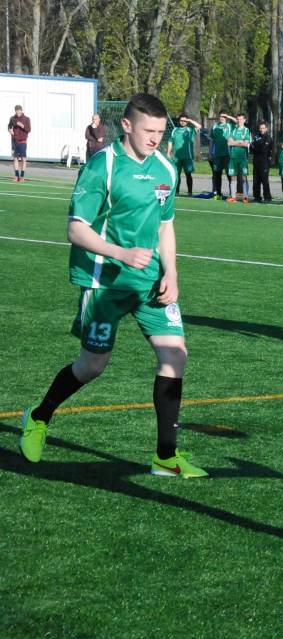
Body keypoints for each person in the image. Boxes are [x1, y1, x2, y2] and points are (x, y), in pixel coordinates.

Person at [18, 93, 205, 478]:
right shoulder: (102, 166)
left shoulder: (166, 169)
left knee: (176, 356)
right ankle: (38, 417)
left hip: (150, 282)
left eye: (160, 131)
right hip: (103, 282)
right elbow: (75, 229)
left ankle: (166, 457)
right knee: (92, 365)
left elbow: (166, 225)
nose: (155, 138)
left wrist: (171, 271)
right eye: (148, 131)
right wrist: (120, 253)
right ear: (126, 125)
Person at [167, 113, 201, 196]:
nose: (183, 122)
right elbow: (170, 141)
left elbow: (199, 126)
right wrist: (168, 153)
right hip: (176, 157)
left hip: (188, 157)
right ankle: (176, 192)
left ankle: (190, 192)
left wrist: (189, 120)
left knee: (188, 174)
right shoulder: (175, 130)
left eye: (184, 120)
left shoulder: (190, 130)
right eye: (181, 120)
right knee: (176, 175)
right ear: (179, 121)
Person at [209, 112, 236, 199]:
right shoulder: (214, 127)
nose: (222, 118)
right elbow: (212, 141)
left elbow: (238, 122)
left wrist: (228, 116)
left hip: (228, 155)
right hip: (217, 155)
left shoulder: (230, 126)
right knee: (217, 174)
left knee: (229, 174)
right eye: (220, 116)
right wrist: (210, 153)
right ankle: (218, 194)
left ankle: (232, 194)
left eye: (224, 117)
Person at [251, 120, 274, 203]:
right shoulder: (256, 137)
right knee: (256, 180)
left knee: (264, 180)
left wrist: (256, 146)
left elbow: (263, 149)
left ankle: (267, 197)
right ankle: (257, 197)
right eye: (260, 128)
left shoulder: (268, 138)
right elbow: (251, 147)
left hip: (264, 162)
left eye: (263, 128)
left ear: (266, 129)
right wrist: (255, 146)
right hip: (256, 161)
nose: (261, 129)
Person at [8, 105, 31, 182]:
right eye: (16, 111)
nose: (18, 112)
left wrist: (23, 126)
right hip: (14, 141)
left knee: (23, 159)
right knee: (15, 158)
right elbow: (9, 126)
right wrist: (10, 130)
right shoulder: (12, 118)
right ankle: (16, 176)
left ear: (21, 110)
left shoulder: (26, 119)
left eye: (19, 111)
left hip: (22, 141)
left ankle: (22, 176)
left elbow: (29, 129)